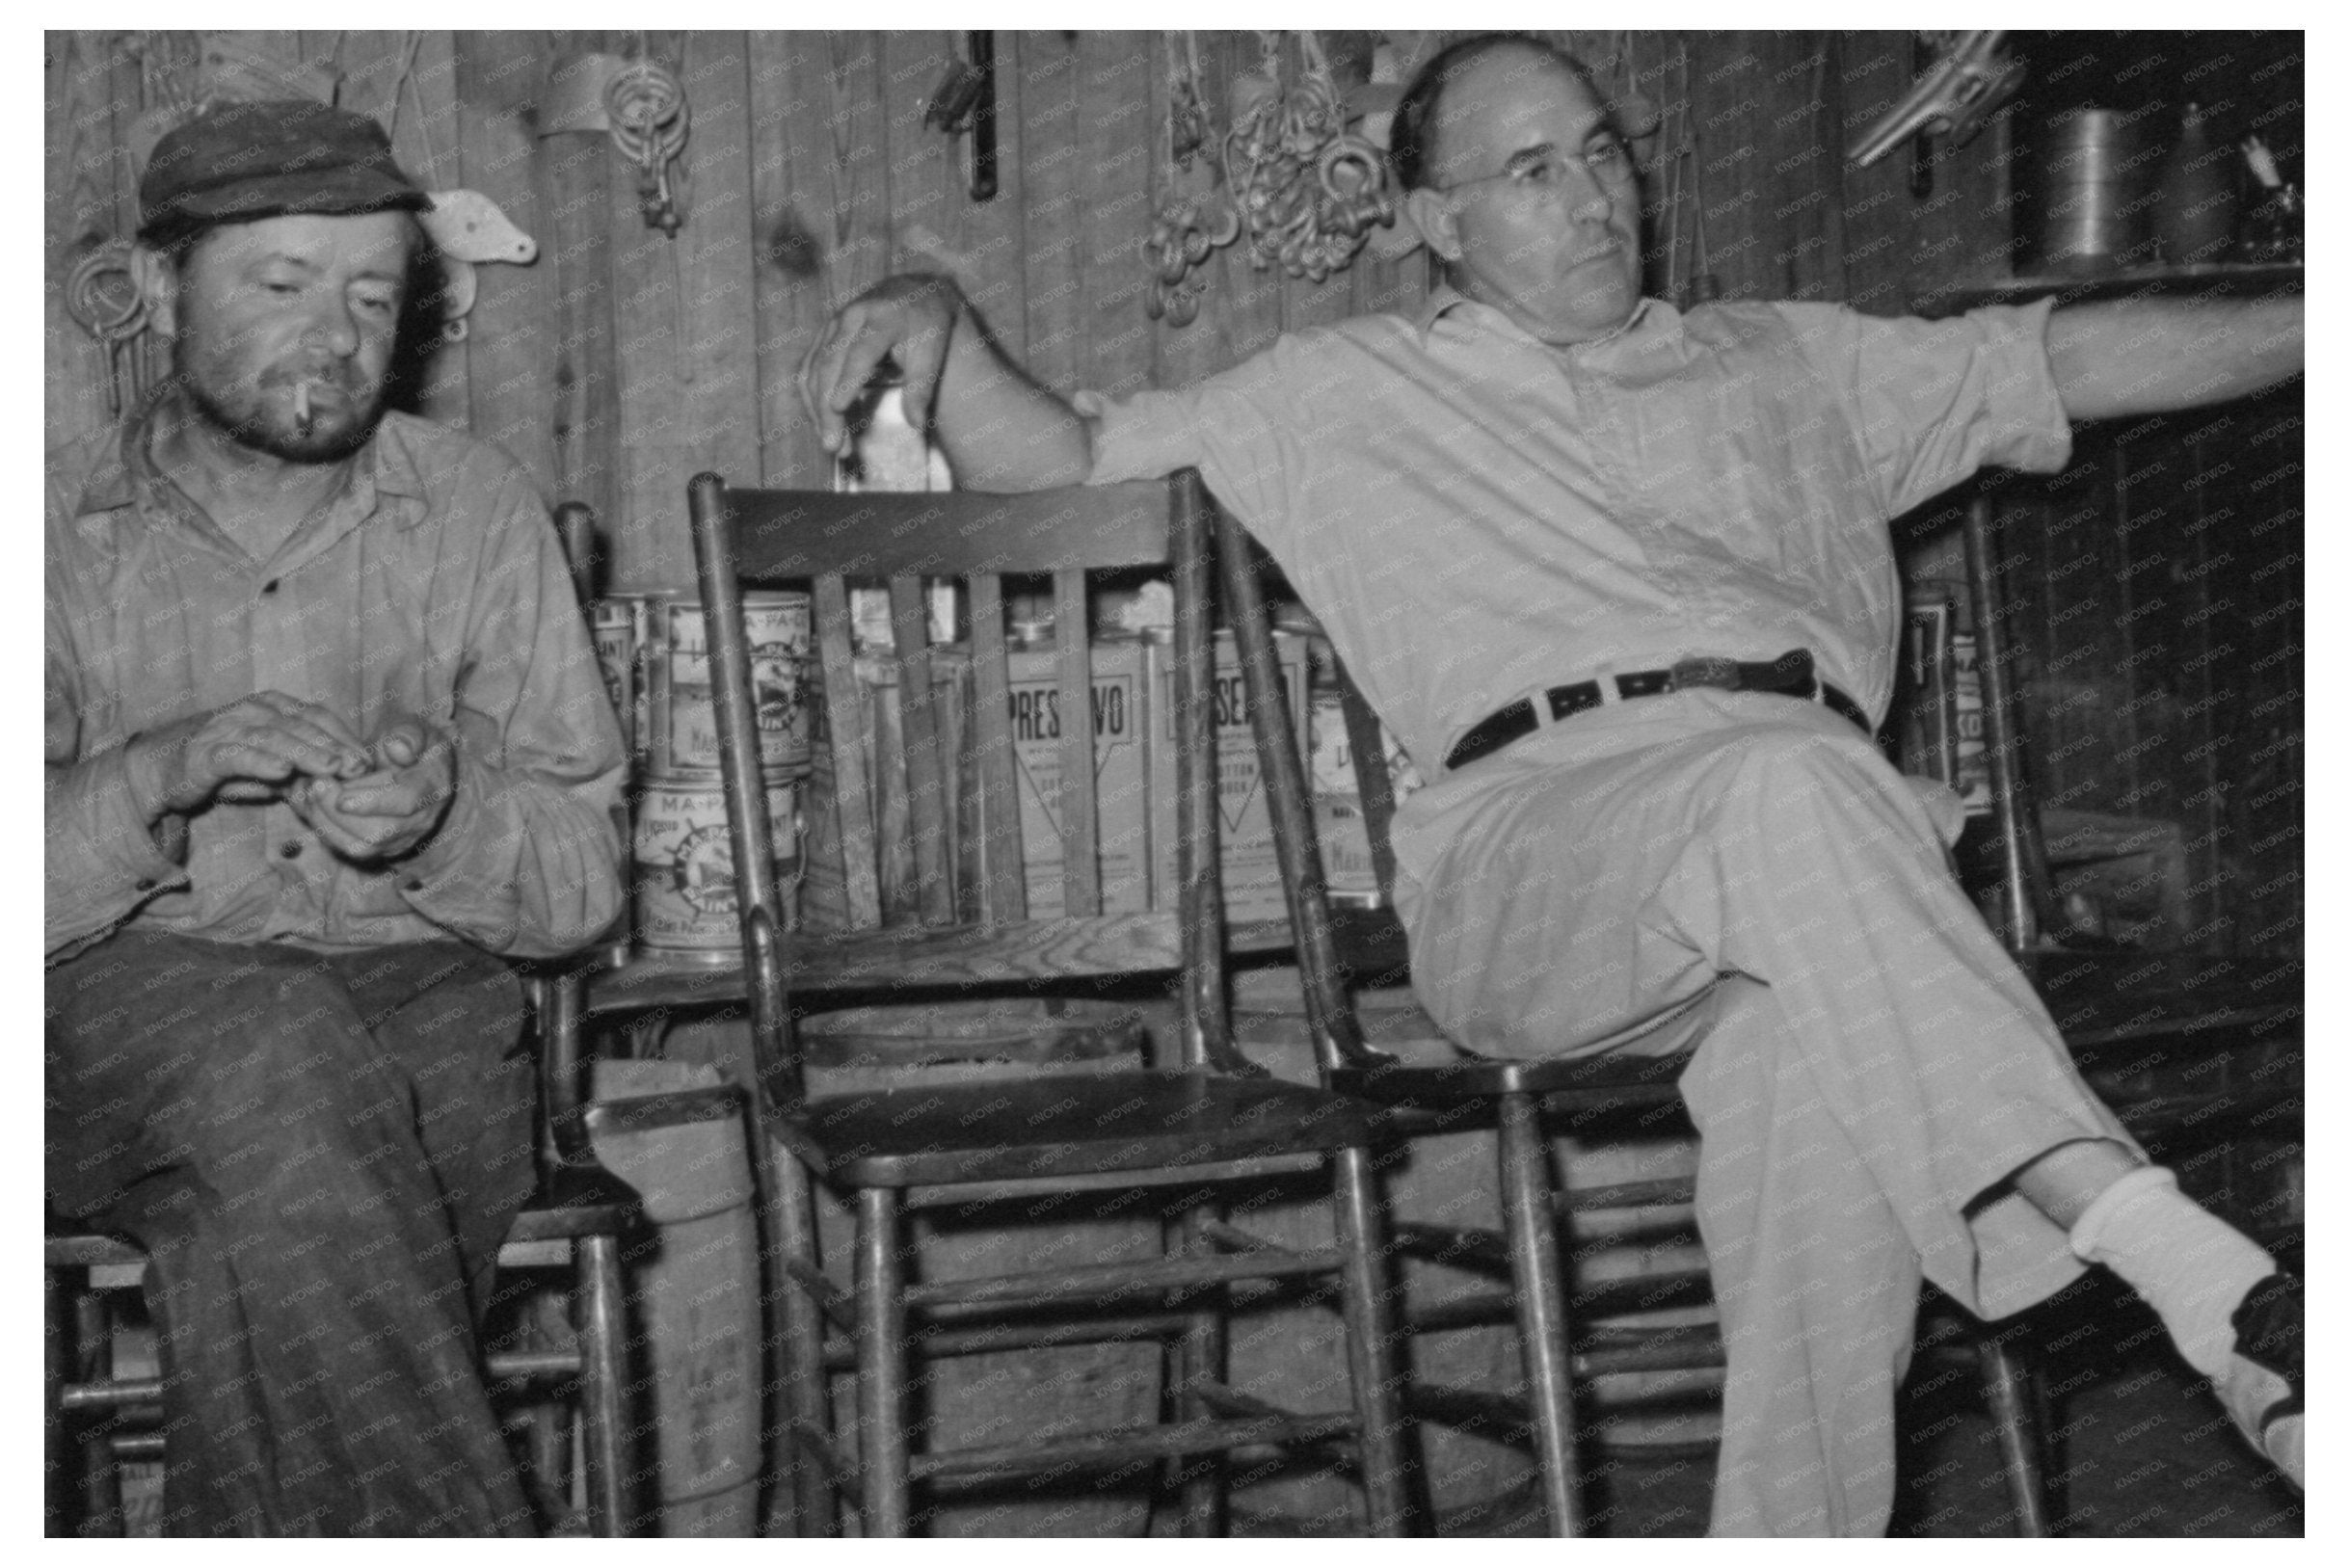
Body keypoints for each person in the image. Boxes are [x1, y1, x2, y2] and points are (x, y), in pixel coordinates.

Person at [799, 34, 2305, 1536]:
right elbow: (1058, 457)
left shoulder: (1788, 360)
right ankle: (2199, 1280)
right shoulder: (1337, 392)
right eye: (1531, 170)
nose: (1592, 196)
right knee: (1795, 783)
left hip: (1810, 873)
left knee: (1807, 1053)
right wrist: (941, 319)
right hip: (1537, 877)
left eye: (1599, 152)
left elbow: (2059, 358)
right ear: (1436, 223)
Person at [45, 99, 626, 1535]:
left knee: (254, 1224)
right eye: (283, 284)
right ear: (163, 288)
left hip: (420, 1013)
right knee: (277, 1039)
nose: (336, 336)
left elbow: (582, 888)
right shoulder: (42, 531)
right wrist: (154, 774)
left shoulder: (475, 508)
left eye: (372, 295)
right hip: (113, 1025)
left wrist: (448, 815)